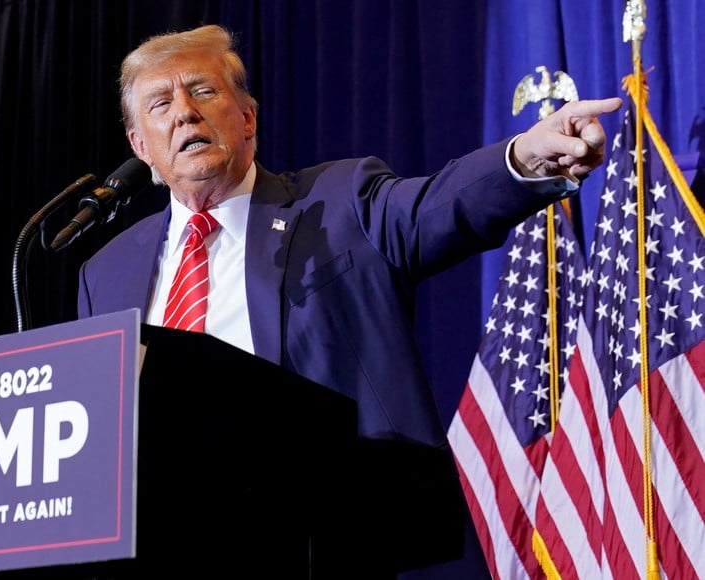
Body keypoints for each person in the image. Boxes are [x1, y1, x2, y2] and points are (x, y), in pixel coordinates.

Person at [76, 23, 621, 578]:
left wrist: (525, 160)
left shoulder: (339, 202)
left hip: (331, 538)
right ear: (140, 145)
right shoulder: (107, 273)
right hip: (171, 549)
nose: (184, 112)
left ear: (248, 118)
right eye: (160, 103)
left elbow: (435, 207)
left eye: (204, 90)